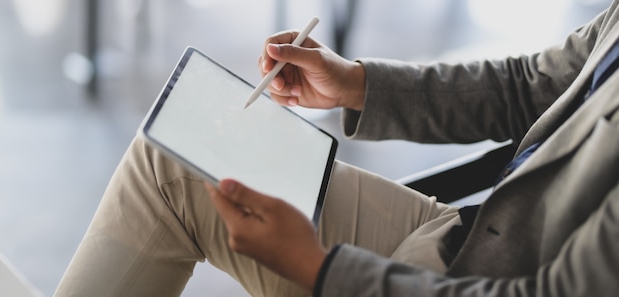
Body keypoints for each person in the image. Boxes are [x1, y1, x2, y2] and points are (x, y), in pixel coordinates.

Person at [55, 1, 619, 296]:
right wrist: (356, 83)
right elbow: (533, 84)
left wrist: (317, 269)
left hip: (473, 281)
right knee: (170, 162)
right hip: (468, 235)